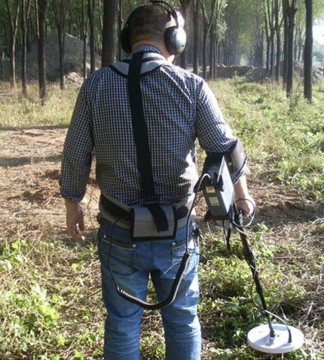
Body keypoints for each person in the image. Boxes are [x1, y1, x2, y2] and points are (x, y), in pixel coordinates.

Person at [60, 2, 254, 359]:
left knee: (121, 323)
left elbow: (75, 154)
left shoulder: (95, 86)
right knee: (181, 320)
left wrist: (73, 204)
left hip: (118, 229)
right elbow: (225, 147)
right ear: (174, 39)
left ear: (126, 39)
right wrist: (241, 198)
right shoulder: (191, 86)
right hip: (176, 231)